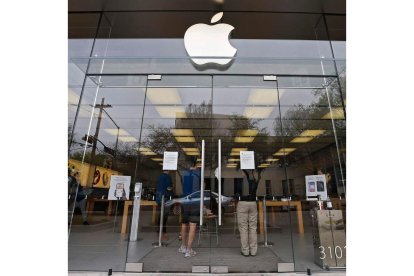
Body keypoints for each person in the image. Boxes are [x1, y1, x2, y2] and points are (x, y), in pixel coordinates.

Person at [178, 157, 201, 258]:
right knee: (192, 225)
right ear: (196, 165)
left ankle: (182, 246)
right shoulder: (198, 174)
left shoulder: (183, 175)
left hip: (184, 201)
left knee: (184, 224)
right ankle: (189, 250)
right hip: (194, 201)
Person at [237, 177, 258, 257]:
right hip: (253, 203)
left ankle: (245, 251)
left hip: (242, 203)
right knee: (253, 227)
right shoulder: (253, 178)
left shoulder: (239, 179)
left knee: (243, 228)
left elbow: (237, 192)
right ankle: (253, 251)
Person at [155, 170, 173, 241]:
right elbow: (168, 188)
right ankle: (163, 233)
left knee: (161, 215)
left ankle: (159, 232)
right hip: (165, 198)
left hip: (159, 198)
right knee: (164, 217)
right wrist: (172, 188)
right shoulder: (167, 177)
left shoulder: (160, 177)